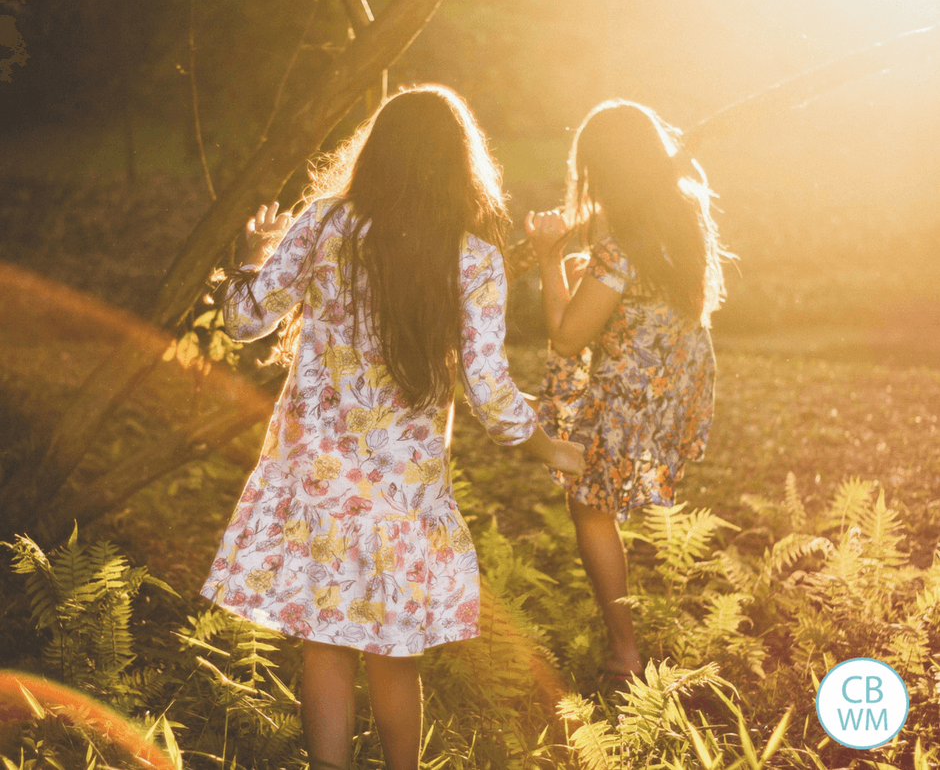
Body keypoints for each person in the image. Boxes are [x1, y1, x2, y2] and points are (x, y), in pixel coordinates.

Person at [200, 85, 586, 770]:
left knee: (325, 638)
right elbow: (490, 391)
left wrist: (255, 254)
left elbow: (243, 320)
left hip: (315, 472)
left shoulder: (323, 224)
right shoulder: (471, 259)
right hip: (401, 488)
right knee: (392, 649)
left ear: (374, 154)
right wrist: (547, 445)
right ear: (460, 167)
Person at [524, 99, 731, 685]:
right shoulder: (680, 220)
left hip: (639, 383)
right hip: (680, 377)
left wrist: (547, 257)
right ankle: (627, 637)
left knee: (588, 503)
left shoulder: (619, 251)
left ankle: (625, 652)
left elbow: (567, 339)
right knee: (600, 495)